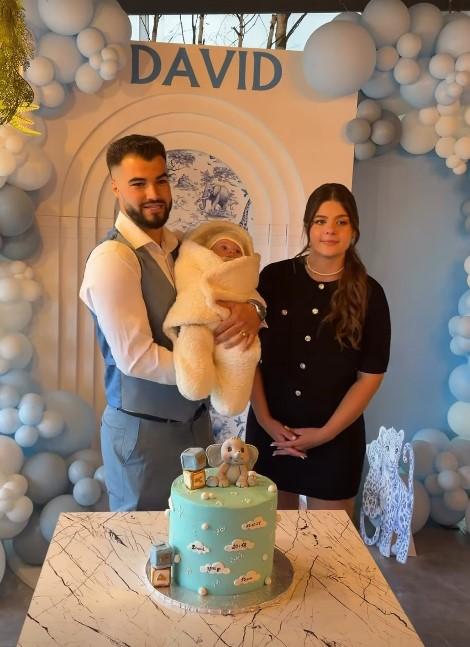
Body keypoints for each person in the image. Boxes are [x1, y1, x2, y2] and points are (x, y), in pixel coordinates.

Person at [79, 134, 262, 511]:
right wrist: (209, 375)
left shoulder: (182, 247)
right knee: (143, 540)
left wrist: (254, 310)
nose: (154, 193)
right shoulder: (114, 258)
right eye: (138, 183)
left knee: (197, 530)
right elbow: (136, 358)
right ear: (116, 187)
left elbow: (238, 281)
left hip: (195, 427)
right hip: (143, 434)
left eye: (160, 180)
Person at [245, 183, 391, 518]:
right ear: (308, 227)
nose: (330, 230)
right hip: (271, 432)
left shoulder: (370, 294)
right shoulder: (274, 278)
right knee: (272, 538)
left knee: (331, 543)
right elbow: (248, 355)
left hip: (336, 440)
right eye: (321, 221)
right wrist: (265, 420)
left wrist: (325, 434)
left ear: (354, 230)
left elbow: (369, 377)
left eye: (341, 222)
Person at [163, 221, 262, 417]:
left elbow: (254, 297)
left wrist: (255, 308)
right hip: (197, 318)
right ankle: (195, 381)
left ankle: (231, 399)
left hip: (231, 327)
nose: (231, 252)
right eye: (223, 247)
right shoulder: (193, 261)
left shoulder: (242, 275)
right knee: (193, 343)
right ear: (208, 250)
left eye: (237, 251)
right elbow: (186, 279)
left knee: (241, 352)